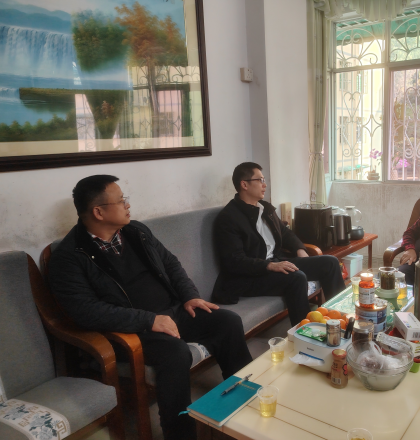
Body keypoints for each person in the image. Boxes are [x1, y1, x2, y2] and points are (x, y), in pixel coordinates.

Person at [48, 175, 252, 440]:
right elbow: (86, 311)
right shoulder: (69, 257)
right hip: (131, 331)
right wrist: (149, 320)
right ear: (98, 212)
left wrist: (190, 296)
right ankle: (180, 434)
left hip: (173, 312)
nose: (128, 205)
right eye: (121, 200)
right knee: (175, 353)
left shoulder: (137, 232)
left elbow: (171, 264)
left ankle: (242, 402)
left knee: (227, 321)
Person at [212, 162, 346, 325]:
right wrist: (269, 266)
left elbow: (284, 232)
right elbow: (234, 261)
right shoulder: (229, 218)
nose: (265, 184)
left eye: (264, 180)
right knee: (296, 277)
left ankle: (340, 319)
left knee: (330, 263)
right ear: (244, 185)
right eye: (260, 180)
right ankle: (304, 330)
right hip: (249, 276)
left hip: (276, 263)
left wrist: (300, 249)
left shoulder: (264, 209)